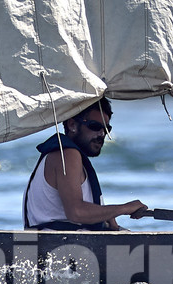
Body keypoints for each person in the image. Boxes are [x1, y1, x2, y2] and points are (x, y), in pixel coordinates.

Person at [22, 97, 147, 230]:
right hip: (62, 247)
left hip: (57, 244)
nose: (101, 134)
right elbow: (76, 212)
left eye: (106, 129)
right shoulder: (66, 154)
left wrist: (105, 214)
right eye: (95, 126)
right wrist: (124, 208)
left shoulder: (60, 153)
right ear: (72, 125)